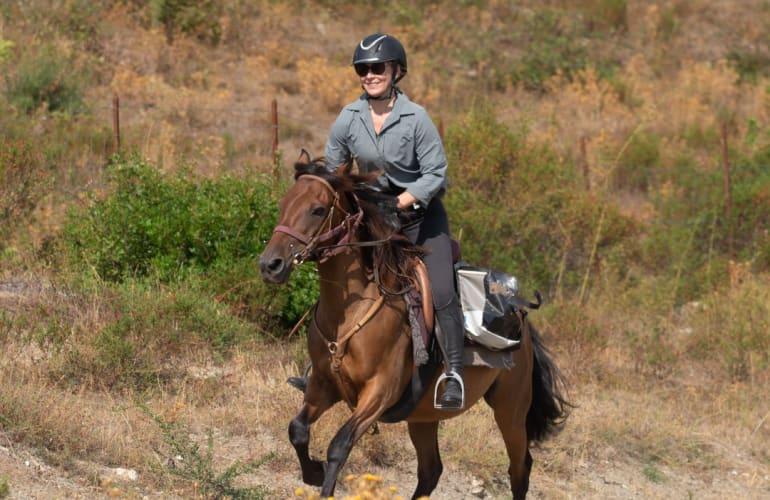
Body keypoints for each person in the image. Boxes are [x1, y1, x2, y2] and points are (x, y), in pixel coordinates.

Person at [323, 33, 465, 410]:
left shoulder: (416, 118)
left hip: (421, 219)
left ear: (396, 71)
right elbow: (333, 169)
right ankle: (320, 367)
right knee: (340, 277)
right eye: (362, 69)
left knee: (442, 289)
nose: (369, 75)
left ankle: (453, 373)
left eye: (377, 68)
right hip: (375, 223)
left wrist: (401, 200)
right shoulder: (348, 118)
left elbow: (437, 173)